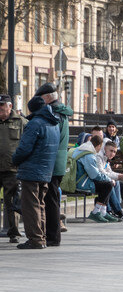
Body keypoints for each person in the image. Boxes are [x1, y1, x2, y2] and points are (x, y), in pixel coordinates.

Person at [12, 96, 59, 249]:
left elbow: (24, 149)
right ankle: (42, 236)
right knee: (40, 204)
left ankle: (35, 239)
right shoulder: (54, 124)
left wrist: (15, 159)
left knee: (30, 206)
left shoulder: (35, 124)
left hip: (31, 170)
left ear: (32, 109)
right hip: (46, 171)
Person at [35, 83, 73, 247]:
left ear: (48, 97)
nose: (40, 102)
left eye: (41, 98)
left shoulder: (54, 114)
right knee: (52, 198)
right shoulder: (62, 112)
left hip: (51, 161)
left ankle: (52, 236)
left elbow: (50, 138)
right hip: (58, 161)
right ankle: (52, 234)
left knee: (51, 200)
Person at [72, 135, 118, 223]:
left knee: (107, 183)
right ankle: (96, 212)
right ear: (99, 146)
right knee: (108, 184)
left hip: (76, 180)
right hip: (80, 183)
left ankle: (103, 212)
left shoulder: (80, 149)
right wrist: (109, 179)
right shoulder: (88, 154)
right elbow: (94, 175)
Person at [0, 94, 26, 243]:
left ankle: (14, 232)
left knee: (11, 202)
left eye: (2, 108)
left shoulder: (21, 122)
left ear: (10, 107)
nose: (0, 112)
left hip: (12, 169)